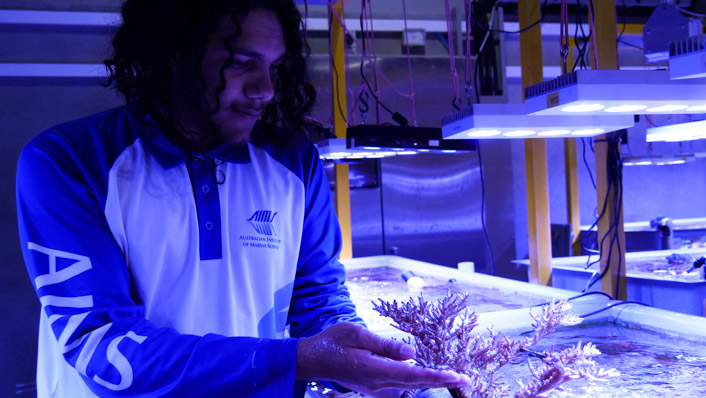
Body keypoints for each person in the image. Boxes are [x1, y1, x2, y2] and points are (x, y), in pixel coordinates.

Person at [16, 0, 471, 397]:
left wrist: (368, 370)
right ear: (174, 53)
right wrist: (300, 361)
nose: (265, 89)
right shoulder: (70, 162)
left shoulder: (295, 163)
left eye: (273, 67)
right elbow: (107, 349)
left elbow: (318, 297)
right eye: (239, 62)